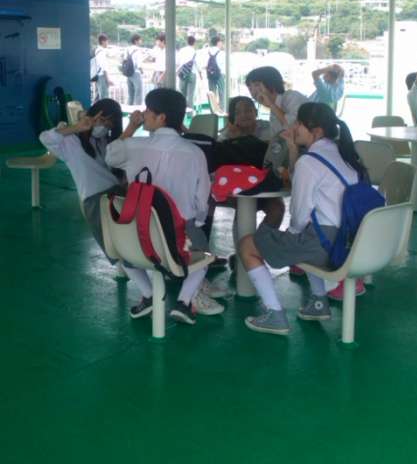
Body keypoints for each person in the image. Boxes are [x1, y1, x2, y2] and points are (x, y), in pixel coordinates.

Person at [238, 102, 367, 335]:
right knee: (306, 233)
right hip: (351, 241)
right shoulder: (343, 154)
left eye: (299, 123)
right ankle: (318, 303)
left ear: (316, 131)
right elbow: (304, 178)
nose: (294, 126)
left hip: (325, 245)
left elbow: (298, 215)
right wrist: (292, 147)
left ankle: (275, 315)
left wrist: (289, 237)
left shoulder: (310, 162)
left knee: (247, 245)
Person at [105, 88, 226, 324]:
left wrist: (131, 127)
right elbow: (202, 198)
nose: (143, 114)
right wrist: (197, 222)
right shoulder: (195, 152)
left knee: (121, 250)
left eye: (148, 110)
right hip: (178, 241)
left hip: (136, 239)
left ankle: (149, 294)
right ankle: (183, 302)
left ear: (161, 117)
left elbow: (110, 156)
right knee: (205, 256)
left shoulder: (133, 146)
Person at [39, 99, 125, 262]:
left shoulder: (104, 141)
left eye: (109, 124)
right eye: (102, 119)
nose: (104, 126)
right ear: (92, 115)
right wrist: (78, 127)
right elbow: (45, 138)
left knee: (129, 239)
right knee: (113, 246)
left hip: (117, 192)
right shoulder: (70, 140)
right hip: (95, 199)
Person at [245, 66, 307, 137]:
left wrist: (271, 105)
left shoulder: (292, 96)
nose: (253, 92)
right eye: (250, 88)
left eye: (257, 85)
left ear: (271, 83)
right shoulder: (273, 109)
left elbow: (294, 128)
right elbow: (276, 137)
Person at [177, 36, 201, 109]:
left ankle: (182, 111)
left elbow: (178, 62)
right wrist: (200, 73)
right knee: (190, 95)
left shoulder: (181, 50)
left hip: (182, 73)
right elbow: (198, 64)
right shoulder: (195, 51)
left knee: (182, 94)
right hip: (192, 74)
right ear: (194, 42)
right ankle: (190, 112)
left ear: (187, 42)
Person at [207, 35, 225, 109]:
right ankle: (222, 109)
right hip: (220, 74)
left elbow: (204, 64)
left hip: (210, 74)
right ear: (218, 43)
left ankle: (213, 110)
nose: (221, 43)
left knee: (212, 93)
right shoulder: (221, 53)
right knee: (222, 92)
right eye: (221, 42)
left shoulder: (207, 51)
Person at [126, 33, 144, 106]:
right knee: (138, 94)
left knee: (130, 94)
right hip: (136, 73)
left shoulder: (127, 49)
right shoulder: (138, 50)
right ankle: (137, 110)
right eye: (140, 40)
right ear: (136, 41)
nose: (141, 41)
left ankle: (129, 109)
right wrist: (142, 72)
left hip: (128, 73)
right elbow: (139, 65)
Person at [95, 34, 113, 100]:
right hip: (102, 76)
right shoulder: (101, 51)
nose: (107, 43)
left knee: (100, 95)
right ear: (103, 41)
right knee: (104, 97)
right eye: (107, 41)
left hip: (98, 76)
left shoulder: (97, 50)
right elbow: (104, 67)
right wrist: (108, 79)